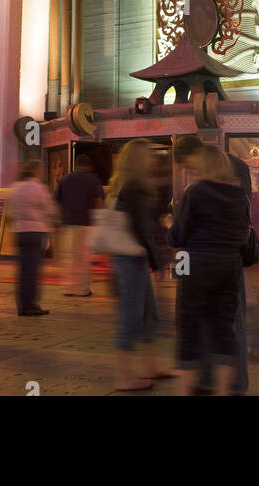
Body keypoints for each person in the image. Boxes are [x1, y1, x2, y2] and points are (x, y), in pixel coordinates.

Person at [173, 134, 255, 392]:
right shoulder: (238, 192)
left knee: (190, 326)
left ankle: (193, 386)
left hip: (198, 263)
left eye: (189, 167)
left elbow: (179, 234)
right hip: (230, 263)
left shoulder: (196, 191)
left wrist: (169, 226)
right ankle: (228, 387)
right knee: (225, 328)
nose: (189, 172)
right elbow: (244, 229)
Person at [107, 138, 172, 392]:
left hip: (130, 257)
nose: (152, 160)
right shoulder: (134, 186)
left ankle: (151, 365)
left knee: (148, 315)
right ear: (137, 159)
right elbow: (141, 229)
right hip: (130, 257)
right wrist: (158, 263)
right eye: (148, 155)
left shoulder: (123, 185)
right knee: (132, 318)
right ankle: (124, 377)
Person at [5, 159, 59, 316]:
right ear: (36, 171)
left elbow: (9, 212)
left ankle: (22, 304)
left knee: (22, 271)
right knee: (33, 271)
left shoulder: (14, 188)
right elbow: (50, 210)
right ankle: (31, 305)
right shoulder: (38, 188)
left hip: (19, 232)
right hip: (36, 231)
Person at [55, 154, 104, 297]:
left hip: (68, 223)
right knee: (84, 258)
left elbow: (57, 201)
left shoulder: (65, 179)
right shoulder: (93, 179)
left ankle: (68, 288)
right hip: (86, 223)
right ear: (88, 166)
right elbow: (99, 201)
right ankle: (83, 289)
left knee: (69, 258)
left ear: (76, 164)